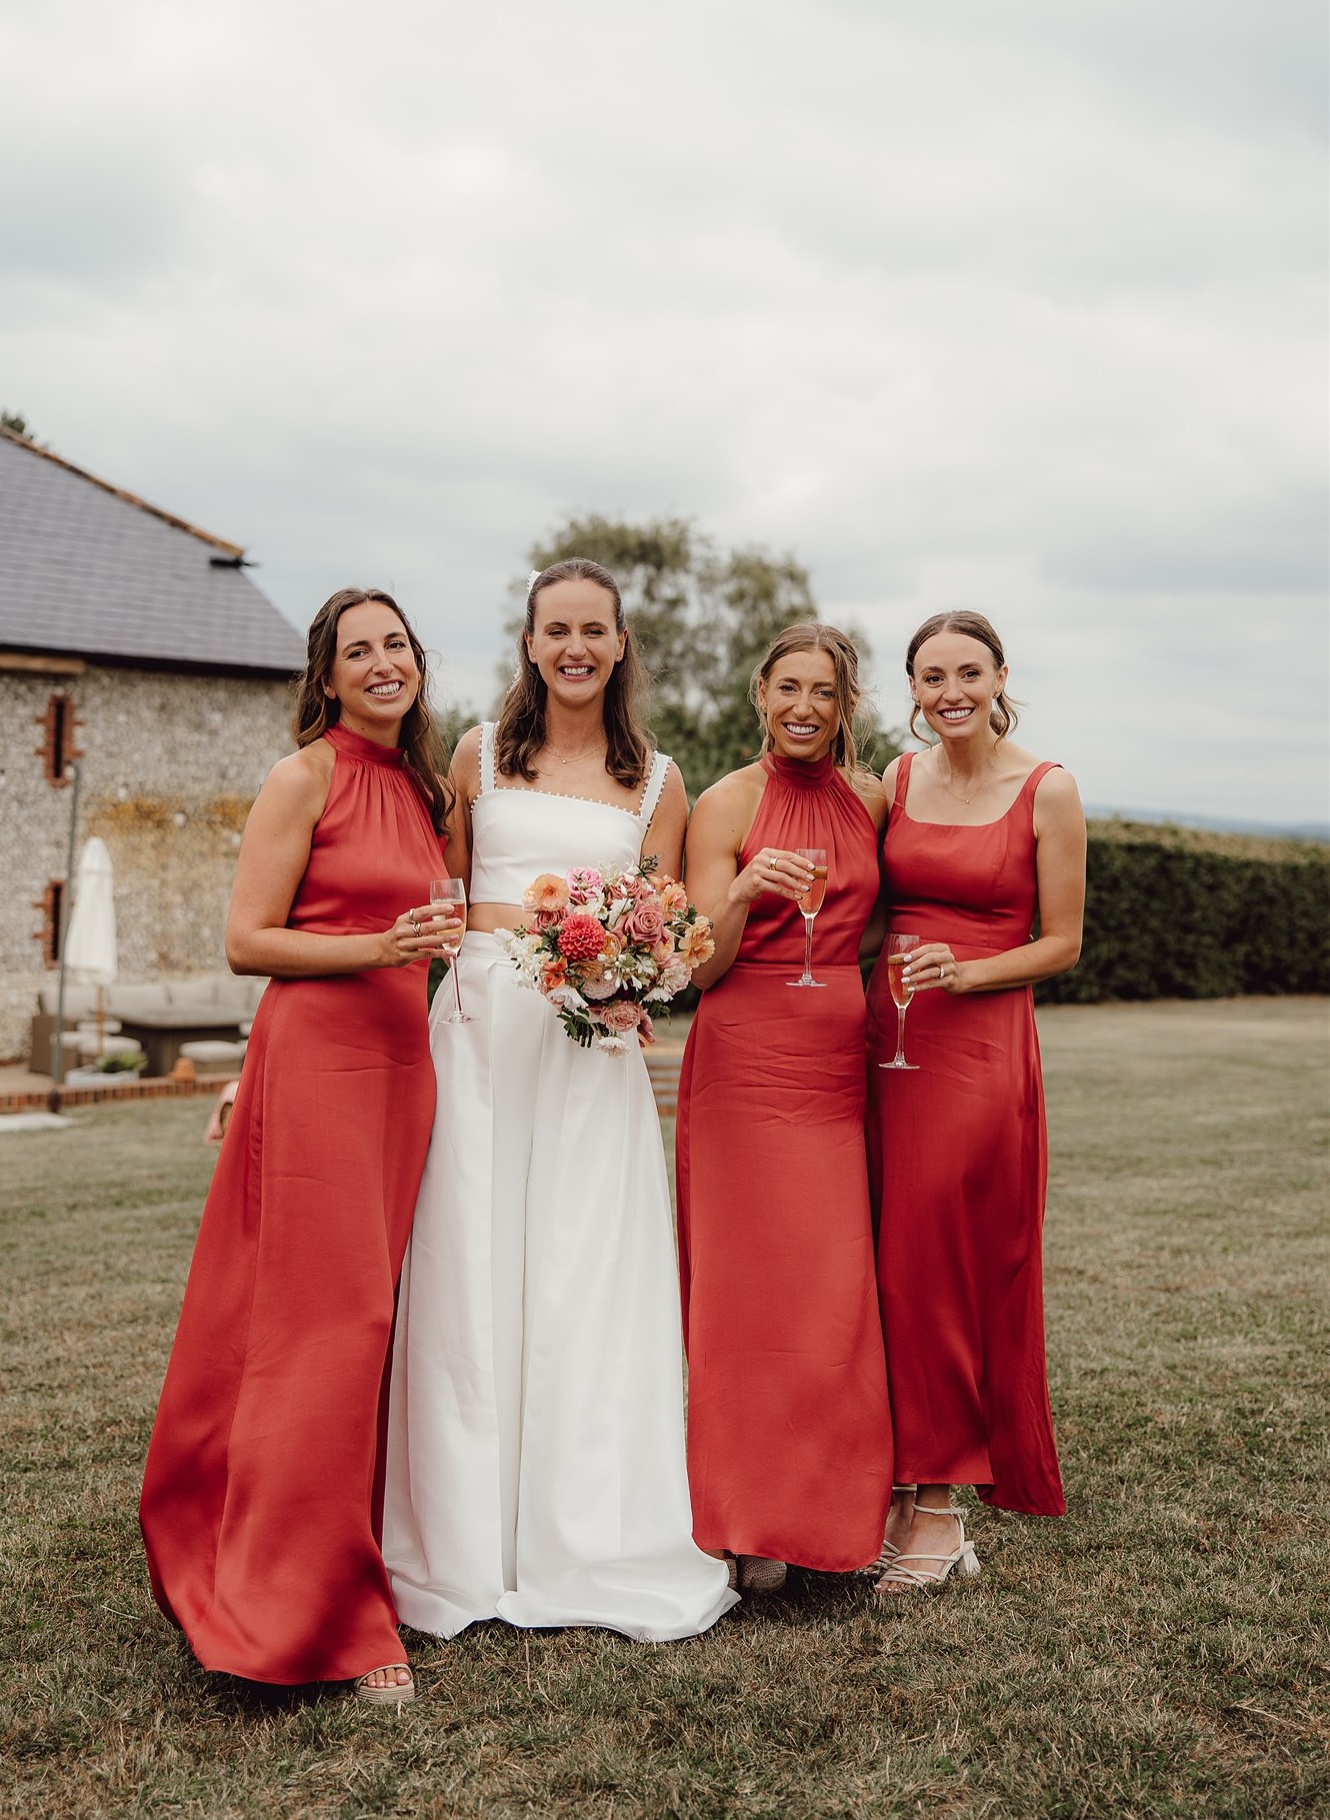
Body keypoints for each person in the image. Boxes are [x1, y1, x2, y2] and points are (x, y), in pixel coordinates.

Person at [383, 557, 737, 1641]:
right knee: (470, 1268)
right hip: (484, 1030)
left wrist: (636, 984)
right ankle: (463, 1537)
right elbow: (430, 894)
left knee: (586, 1275)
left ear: (621, 644)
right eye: (555, 629)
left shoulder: (660, 780)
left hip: (589, 1049)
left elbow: (676, 927)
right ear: (529, 643)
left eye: (595, 629)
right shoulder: (478, 757)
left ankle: (591, 1533)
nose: (575, 646)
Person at [140, 588, 459, 1701]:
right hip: (323, 1068)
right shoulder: (305, 775)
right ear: (325, 677)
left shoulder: (425, 787)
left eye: (397, 646)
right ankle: (322, 1612)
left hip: (401, 1079)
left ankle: (336, 1556)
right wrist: (378, 944)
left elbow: (458, 929)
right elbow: (247, 938)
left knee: (368, 1326)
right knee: (332, 1325)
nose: (382, 663)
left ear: (419, 662)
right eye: (357, 651)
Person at [865, 610, 1085, 1593]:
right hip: (888, 1036)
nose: (949, 690)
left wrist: (974, 969)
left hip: (977, 1040)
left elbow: (1064, 943)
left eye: (967, 671)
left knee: (943, 1258)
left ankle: (944, 1501)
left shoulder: (1048, 788)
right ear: (911, 689)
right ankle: (904, 1483)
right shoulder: (896, 782)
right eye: (929, 675)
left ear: (1001, 675)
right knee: (885, 1258)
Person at [676, 623, 894, 1594]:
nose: (806, 706)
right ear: (760, 693)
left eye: (826, 691)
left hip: (834, 1060)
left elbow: (884, 918)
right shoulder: (726, 803)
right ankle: (746, 1517)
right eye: (789, 687)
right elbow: (695, 964)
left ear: (847, 707)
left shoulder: (874, 800)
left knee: (833, 1288)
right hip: (744, 1062)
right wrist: (746, 895)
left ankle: (830, 1515)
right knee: (746, 1292)